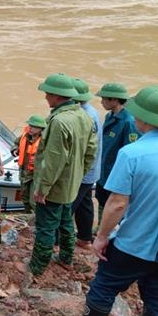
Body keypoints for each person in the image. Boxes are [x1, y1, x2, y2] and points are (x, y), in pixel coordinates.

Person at [60, 86, 158, 316]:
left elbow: (117, 204)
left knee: (104, 286)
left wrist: (101, 237)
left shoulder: (133, 153)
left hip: (135, 243)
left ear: (147, 119)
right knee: (157, 291)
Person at [27, 73, 97, 279]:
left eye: (48, 94)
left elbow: (54, 160)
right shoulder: (83, 116)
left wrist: (43, 188)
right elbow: (91, 150)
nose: (46, 97)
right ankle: (66, 258)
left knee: (46, 226)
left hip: (55, 186)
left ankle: (38, 265)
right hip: (71, 184)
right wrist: (79, 174)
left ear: (57, 96)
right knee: (66, 222)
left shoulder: (59, 121)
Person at [95, 82, 139, 225]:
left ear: (114, 100)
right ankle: (101, 226)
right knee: (101, 198)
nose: (101, 102)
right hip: (104, 169)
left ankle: (111, 230)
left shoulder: (128, 122)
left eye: (104, 99)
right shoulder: (110, 116)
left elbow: (131, 152)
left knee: (114, 203)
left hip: (115, 171)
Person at [71, 78, 102, 248]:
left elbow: (85, 148)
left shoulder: (85, 116)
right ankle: (84, 237)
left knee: (68, 205)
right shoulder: (91, 111)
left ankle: (59, 242)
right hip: (91, 170)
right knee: (84, 204)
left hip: (83, 171)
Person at [11, 115, 46, 213]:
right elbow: (16, 143)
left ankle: (37, 221)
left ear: (40, 129)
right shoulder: (25, 135)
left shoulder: (45, 140)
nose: (30, 128)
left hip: (36, 174)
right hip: (24, 172)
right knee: (24, 198)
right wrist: (15, 149)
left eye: (34, 126)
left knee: (33, 201)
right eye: (30, 125)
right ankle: (28, 216)